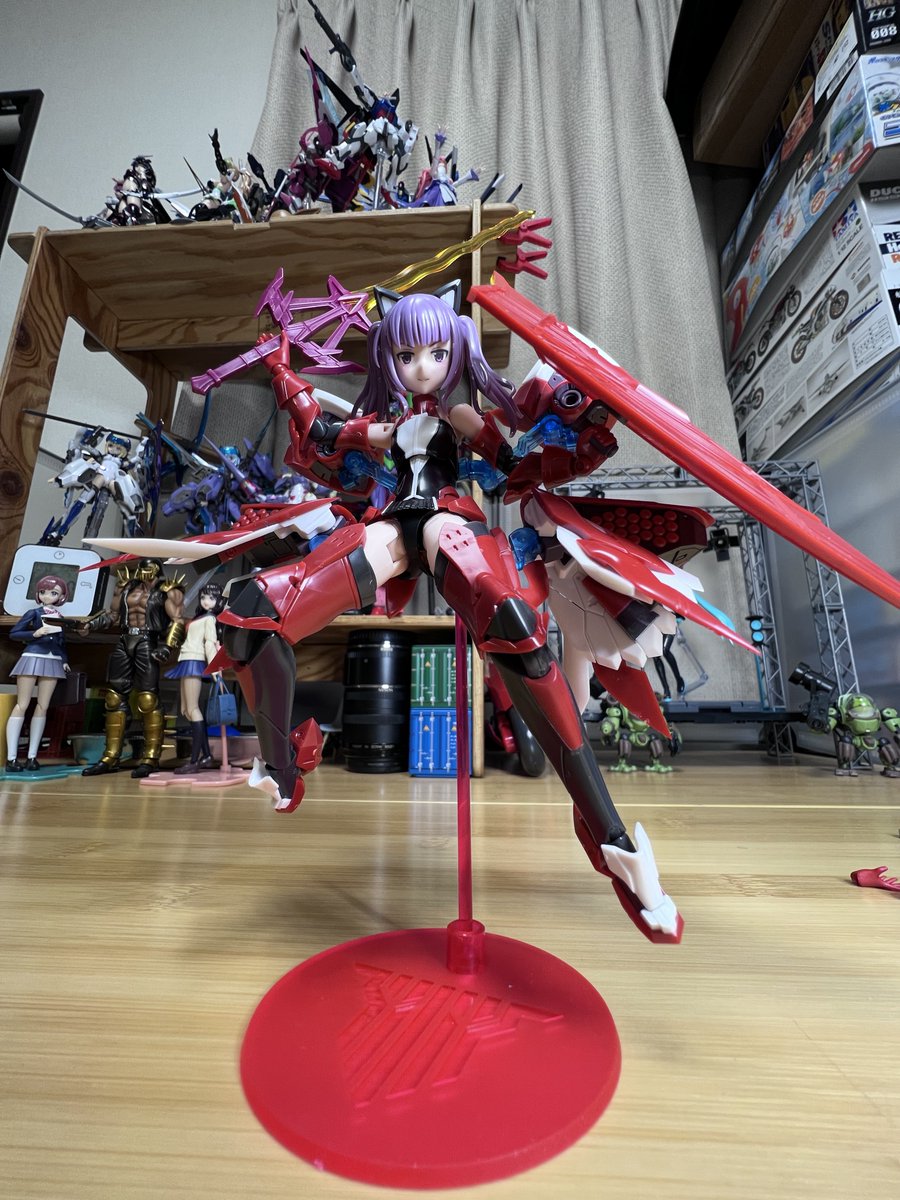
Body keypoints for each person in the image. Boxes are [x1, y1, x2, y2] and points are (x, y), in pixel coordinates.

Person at [216, 281, 683, 944]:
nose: (422, 367)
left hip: (446, 520)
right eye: (407, 355)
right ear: (389, 358)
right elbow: (319, 433)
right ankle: (283, 764)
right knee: (252, 609)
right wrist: (280, 369)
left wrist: (586, 412)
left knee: (514, 625)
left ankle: (611, 840)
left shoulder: (462, 418)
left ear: (456, 353)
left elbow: (519, 466)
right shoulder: (383, 426)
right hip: (388, 526)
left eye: (436, 353)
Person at [80, 559, 185, 778]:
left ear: (157, 570)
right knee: (114, 698)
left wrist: (167, 647)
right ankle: (110, 756)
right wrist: (90, 625)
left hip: (147, 640)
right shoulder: (126, 586)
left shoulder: (168, 590)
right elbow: (113, 615)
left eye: (149, 568)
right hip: (125, 639)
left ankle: (150, 757)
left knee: (148, 699)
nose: (144, 572)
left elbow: (177, 620)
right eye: (142, 567)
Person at [6, 575, 71, 771]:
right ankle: (11, 758)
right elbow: (14, 633)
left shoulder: (60, 617)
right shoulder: (33, 613)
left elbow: (61, 642)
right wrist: (34, 634)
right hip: (32, 656)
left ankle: (32, 756)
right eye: (43, 592)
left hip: (53, 660)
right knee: (22, 704)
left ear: (61, 596)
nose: (47, 596)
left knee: (43, 706)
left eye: (53, 593)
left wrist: (64, 660)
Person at [165, 582, 224, 774]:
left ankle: (195, 760)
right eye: (204, 597)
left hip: (194, 660)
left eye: (212, 598)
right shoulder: (200, 617)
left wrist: (214, 670)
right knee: (185, 710)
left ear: (218, 601)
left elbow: (210, 644)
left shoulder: (210, 619)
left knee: (192, 709)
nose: (206, 601)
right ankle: (206, 755)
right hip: (186, 659)